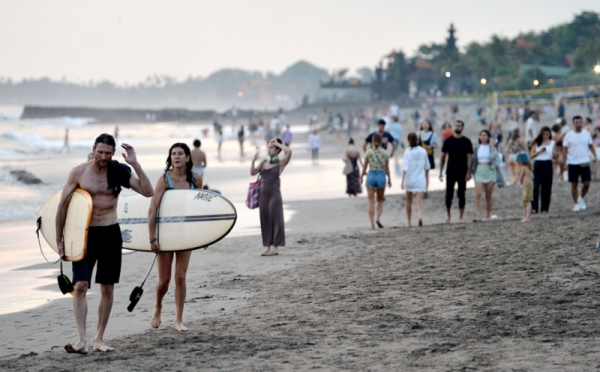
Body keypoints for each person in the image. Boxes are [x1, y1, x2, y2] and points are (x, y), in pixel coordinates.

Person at [56, 134, 153, 354]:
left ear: (113, 153)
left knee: (107, 287)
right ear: (94, 149)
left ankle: (99, 339)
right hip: (84, 234)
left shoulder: (118, 171)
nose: (103, 157)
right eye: (100, 152)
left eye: (108, 153)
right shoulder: (79, 172)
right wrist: (59, 240)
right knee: (80, 285)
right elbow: (62, 207)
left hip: (110, 233)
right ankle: (81, 340)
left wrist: (135, 163)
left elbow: (148, 191)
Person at [149, 143, 203, 332]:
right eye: (173, 154)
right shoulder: (164, 179)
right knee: (164, 281)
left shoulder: (196, 179)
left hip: (185, 233)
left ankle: (178, 320)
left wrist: (205, 236)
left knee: (180, 277)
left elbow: (198, 209)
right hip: (165, 233)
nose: (177, 157)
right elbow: (152, 208)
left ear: (188, 157)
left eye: (180, 153)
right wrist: (152, 238)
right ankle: (158, 306)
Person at [250, 138, 292, 256]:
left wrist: (278, 143)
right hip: (263, 197)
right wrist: (253, 161)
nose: (269, 149)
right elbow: (253, 172)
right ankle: (267, 247)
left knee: (276, 220)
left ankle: (275, 247)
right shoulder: (263, 162)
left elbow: (289, 151)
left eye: (272, 147)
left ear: (278, 150)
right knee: (265, 220)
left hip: (274, 195)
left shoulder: (280, 163)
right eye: (268, 147)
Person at [439, 120, 473, 223]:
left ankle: (460, 217)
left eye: (459, 126)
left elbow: (470, 157)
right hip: (450, 171)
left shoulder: (467, 141)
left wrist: (469, 172)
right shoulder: (448, 141)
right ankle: (448, 216)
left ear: (462, 128)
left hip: (462, 171)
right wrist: (440, 172)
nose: (457, 127)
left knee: (461, 194)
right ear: (454, 127)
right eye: (456, 125)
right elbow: (443, 156)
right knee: (449, 195)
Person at [563, 115, 598, 212]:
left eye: (580, 122)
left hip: (584, 161)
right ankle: (576, 203)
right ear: (573, 124)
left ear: (582, 123)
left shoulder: (586, 134)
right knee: (574, 184)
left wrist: (594, 155)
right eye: (576, 122)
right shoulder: (568, 135)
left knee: (587, 183)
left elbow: (591, 146)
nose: (578, 124)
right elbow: (564, 150)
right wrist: (565, 162)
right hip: (573, 162)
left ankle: (581, 198)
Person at [360, 133, 391, 229]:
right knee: (380, 201)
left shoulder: (368, 152)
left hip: (371, 175)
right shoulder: (385, 153)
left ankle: (372, 224)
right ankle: (378, 218)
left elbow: (365, 167)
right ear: (381, 141)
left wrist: (361, 177)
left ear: (372, 142)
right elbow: (387, 168)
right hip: (381, 176)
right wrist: (390, 179)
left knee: (370, 201)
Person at [401, 133, 430, 227]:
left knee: (409, 201)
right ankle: (420, 217)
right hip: (420, 179)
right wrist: (427, 180)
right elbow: (427, 167)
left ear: (408, 141)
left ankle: (409, 222)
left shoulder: (407, 152)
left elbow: (405, 167)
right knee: (419, 201)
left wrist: (402, 181)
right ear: (417, 140)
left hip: (410, 179)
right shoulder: (423, 151)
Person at [472, 130, 500, 221]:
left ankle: (488, 215)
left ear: (488, 137)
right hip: (479, 171)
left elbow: (496, 159)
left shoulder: (492, 148)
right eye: (481, 135)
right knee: (478, 194)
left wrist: (492, 147)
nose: (482, 137)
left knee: (488, 195)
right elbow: (474, 160)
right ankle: (479, 216)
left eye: (484, 135)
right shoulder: (477, 148)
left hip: (489, 170)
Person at [529, 126, 555, 214]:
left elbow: (555, 154)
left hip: (548, 163)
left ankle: (544, 208)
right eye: (543, 134)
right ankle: (534, 207)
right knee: (535, 186)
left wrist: (555, 155)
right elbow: (531, 155)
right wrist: (539, 151)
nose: (545, 136)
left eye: (547, 134)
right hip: (538, 163)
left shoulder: (552, 143)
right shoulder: (536, 143)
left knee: (546, 186)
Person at [417, 119, 439, 198]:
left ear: (429, 125)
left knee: (426, 174)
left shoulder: (433, 134)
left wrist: (430, 146)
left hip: (428, 155)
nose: (425, 125)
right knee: (420, 173)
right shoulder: (418, 134)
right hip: (419, 156)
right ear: (422, 125)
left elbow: (437, 145)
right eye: (424, 123)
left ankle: (425, 190)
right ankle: (419, 190)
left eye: (427, 123)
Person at [517, 152, 534, 222]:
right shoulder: (529, 168)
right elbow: (533, 176)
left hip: (526, 185)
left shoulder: (523, 168)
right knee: (525, 201)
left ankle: (527, 217)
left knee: (527, 201)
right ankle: (526, 216)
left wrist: (521, 181)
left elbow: (521, 177)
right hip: (529, 184)